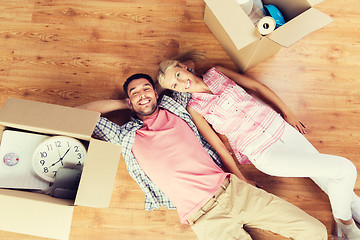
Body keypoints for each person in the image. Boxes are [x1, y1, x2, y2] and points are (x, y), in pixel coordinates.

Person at [77, 73, 327, 240]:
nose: (142, 94)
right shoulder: (127, 136)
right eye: (135, 92)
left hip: (234, 192)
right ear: (129, 101)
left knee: (315, 231)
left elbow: (186, 73)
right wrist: (124, 103)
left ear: (155, 92)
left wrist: (158, 88)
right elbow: (81, 113)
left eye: (146, 88)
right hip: (205, 219)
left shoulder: (176, 107)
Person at [157, 51, 360, 239]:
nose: (181, 83)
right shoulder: (195, 108)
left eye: (177, 75)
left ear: (184, 67)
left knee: (327, 177)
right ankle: (347, 226)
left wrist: (287, 112)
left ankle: (346, 227)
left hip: (282, 129)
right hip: (264, 153)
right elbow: (219, 146)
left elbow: (256, 87)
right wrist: (241, 178)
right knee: (344, 169)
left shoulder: (216, 72)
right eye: (174, 86)